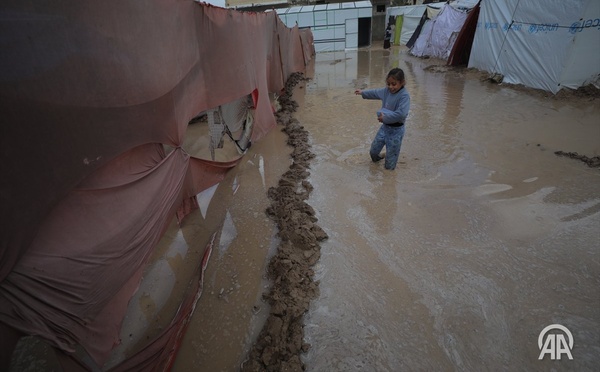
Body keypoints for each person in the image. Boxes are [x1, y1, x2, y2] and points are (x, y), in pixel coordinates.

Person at [354, 68, 410, 170]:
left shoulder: (404, 96)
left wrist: (385, 118)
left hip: (396, 131)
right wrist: (362, 92)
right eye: (388, 84)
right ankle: (380, 158)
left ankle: (388, 181)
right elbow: (375, 93)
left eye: (394, 84)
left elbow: (401, 114)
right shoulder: (386, 91)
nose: (391, 87)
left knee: (390, 164)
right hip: (384, 128)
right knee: (373, 152)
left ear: (402, 82)